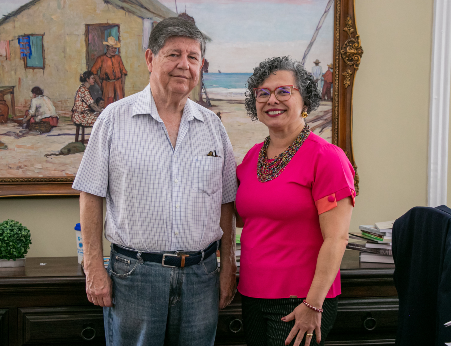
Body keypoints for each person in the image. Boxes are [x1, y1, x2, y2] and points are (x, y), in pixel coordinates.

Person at [72, 17, 238, 346]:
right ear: (150, 59)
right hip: (134, 276)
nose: (184, 65)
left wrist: (227, 266)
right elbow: (90, 195)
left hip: (201, 276)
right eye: (173, 54)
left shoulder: (212, 127)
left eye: (193, 57)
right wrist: (93, 267)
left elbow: (226, 203)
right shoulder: (114, 119)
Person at [236, 56, 355, 346]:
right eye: (262, 93)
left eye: (283, 91)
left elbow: (337, 239)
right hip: (252, 293)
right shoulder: (252, 156)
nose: (271, 100)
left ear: (305, 98)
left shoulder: (327, 158)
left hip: (300, 300)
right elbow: (247, 221)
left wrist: (313, 304)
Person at [90, 36, 128, 108]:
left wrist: (122, 87)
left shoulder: (118, 58)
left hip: (118, 83)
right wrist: (100, 85)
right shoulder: (101, 58)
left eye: (115, 48)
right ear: (107, 48)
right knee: (108, 104)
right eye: (112, 48)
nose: (114, 50)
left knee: (120, 103)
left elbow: (123, 72)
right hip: (107, 84)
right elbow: (93, 72)